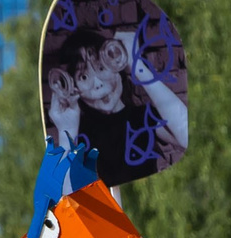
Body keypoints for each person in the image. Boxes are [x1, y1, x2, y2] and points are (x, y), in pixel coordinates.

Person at [43, 23, 188, 185]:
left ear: (117, 64)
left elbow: (186, 135)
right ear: (72, 86)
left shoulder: (142, 118)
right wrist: (66, 132)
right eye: (83, 77)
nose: (98, 83)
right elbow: (68, 202)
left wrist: (137, 64)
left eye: (100, 67)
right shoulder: (78, 136)